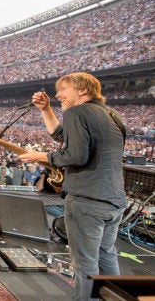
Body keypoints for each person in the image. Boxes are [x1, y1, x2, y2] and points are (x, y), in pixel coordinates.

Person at [19, 72, 127, 301]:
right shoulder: (112, 115)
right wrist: (46, 110)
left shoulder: (76, 111)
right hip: (113, 199)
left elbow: (76, 154)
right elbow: (64, 136)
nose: (58, 94)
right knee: (106, 255)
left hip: (87, 199)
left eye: (63, 89)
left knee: (85, 262)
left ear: (83, 90)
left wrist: (42, 156)